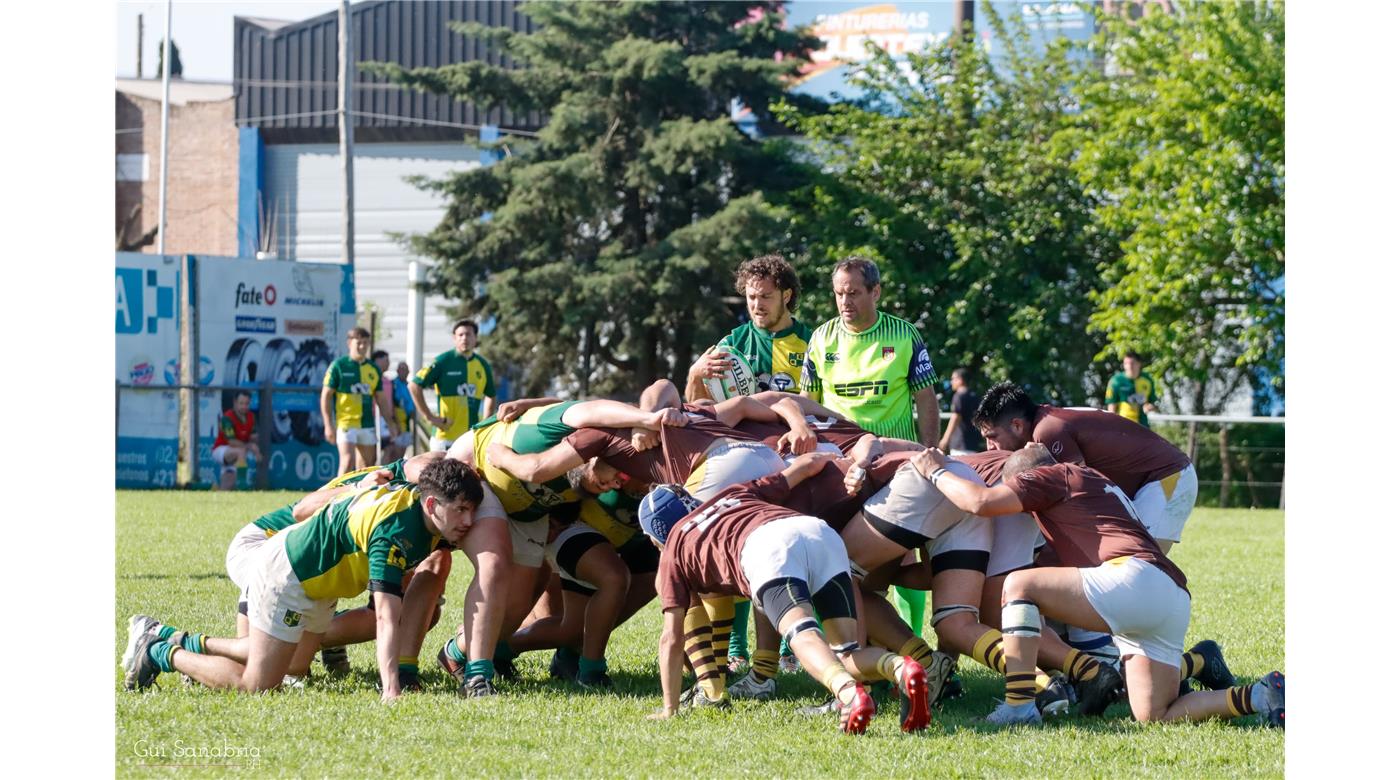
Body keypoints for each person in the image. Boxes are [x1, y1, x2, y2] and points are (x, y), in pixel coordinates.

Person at [915, 444, 1284, 728]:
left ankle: (1019, 707)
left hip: (1133, 580)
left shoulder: (1053, 474)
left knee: (1017, 585)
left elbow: (979, 502)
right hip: (1169, 595)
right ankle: (1260, 694)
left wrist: (935, 470)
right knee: (1155, 713)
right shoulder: (1092, 480)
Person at [122, 458, 485, 702]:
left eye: (472, 510)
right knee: (259, 685)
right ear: (431, 504)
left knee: (290, 664)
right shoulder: (394, 531)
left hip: (319, 587)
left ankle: (169, 635)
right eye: (461, 510)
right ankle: (159, 652)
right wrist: (391, 689)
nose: (469, 521)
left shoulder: (420, 504)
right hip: (287, 573)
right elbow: (387, 616)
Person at [642, 452, 931, 735]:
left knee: (803, 635)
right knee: (846, 653)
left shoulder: (675, 546)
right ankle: (900, 667)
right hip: (818, 532)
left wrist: (670, 707)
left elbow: (671, 637)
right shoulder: (730, 494)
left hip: (768, 548)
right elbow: (807, 464)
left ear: (657, 535)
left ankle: (850, 694)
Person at [801, 256, 941, 635]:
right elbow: (807, 403)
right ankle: (837, 639)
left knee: (899, 552)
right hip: (839, 466)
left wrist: (930, 452)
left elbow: (926, 400)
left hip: (894, 465)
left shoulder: (903, 335)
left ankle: (908, 635)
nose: (845, 302)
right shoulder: (821, 338)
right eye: (839, 294)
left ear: (875, 292)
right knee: (832, 553)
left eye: (854, 293)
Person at [972, 381, 1197, 555]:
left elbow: (1079, 493)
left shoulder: (1047, 431)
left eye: (992, 437)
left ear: (1017, 425)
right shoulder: (1045, 422)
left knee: (1140, 559)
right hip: (1151, 480)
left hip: (1168, 475)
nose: (989, 447)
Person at [687, 254, 812, 400]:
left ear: (786, 296)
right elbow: (701, 409)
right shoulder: (732, 344)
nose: (757, 306)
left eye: (765, 296)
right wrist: (695, 375)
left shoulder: (812, 344)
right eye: (752, 297)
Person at [411, 319, 496, 452]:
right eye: (460, 335)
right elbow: (414, 385)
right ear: (454, 338)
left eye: (468, 334)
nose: (464, 338)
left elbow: (491, 395)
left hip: (470, 437)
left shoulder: (483, 365)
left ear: (475, 338)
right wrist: (430, 417)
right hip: (445, 437)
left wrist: (485, 424)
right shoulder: (443, 361)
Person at [322, 327, 397, 475]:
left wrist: (391, 424)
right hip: (346, 423)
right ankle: (338, 496)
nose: (362, 346)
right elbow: (326, 396)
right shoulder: (339, 366)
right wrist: (328, 425)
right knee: (347, 461)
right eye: (359, 343)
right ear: (349, 343)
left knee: (367, 466)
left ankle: (360, 496)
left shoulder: (373, 369)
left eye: (365, 343)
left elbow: (381, 400)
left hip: (367, 423)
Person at [212, 390, 260, 490]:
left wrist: (255, 445)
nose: (244, 406)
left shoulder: (251, 417)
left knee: (226, 487)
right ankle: (242, 486)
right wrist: (249, 446)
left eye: (246, 403)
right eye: (241, 403)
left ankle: (209, 487)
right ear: (235, 403)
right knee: (241, 452)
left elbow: (253, 437)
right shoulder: (227, 418)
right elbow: (231, 442)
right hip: (222, 449)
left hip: (237, 452)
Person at [1105, 351, 1160, 428]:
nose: (1129, 366)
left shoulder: (1148, 380)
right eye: (1126, 363)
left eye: (1132, 363)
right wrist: (1112, 427)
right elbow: (1111, 407)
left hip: (1143, 426)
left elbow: (1152, 403)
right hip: (1122, 426)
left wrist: (1149, 407)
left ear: (1139, 364)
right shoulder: (1116, 381)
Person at [938, 368, 983, 456]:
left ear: (960, 380)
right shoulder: (975, 396)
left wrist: (945, 440)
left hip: (960, 444)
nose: (951, 382)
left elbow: (955, 417)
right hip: (973, 444)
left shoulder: (959, 395)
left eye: (953, 379)